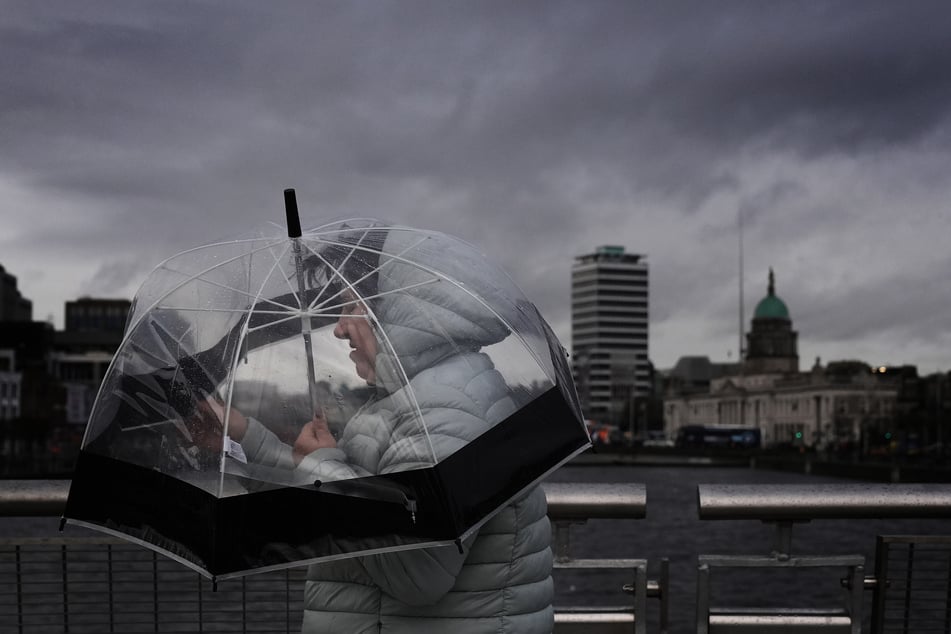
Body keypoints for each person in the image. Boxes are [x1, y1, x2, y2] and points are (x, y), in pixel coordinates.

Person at [201, 230, 555, 633]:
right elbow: (351, 494)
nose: (339, 328)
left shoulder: (446, 409)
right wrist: (246, 437)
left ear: (398, 315)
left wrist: (322, 467)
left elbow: (417, 573)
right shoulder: (414, 398)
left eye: (351, 305)